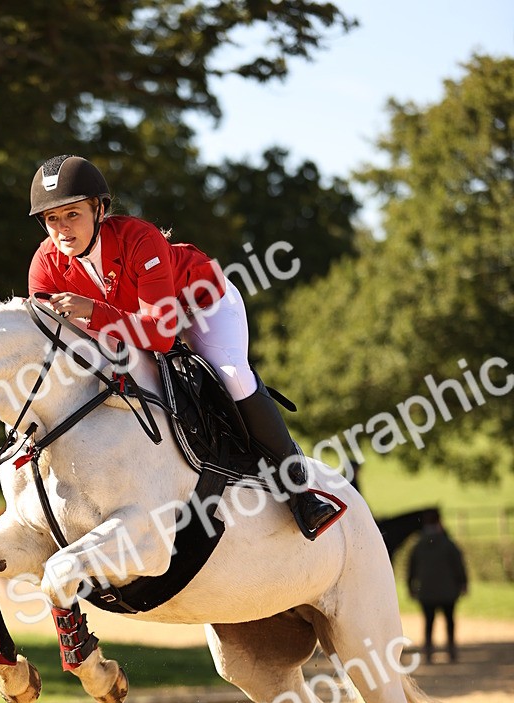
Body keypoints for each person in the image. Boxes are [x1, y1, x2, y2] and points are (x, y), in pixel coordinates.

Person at [27, 154, 338, 540]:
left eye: (72, 214)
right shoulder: (45, 265)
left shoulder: (140, 239)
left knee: (232, 375)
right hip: (129, 325)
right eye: (52, 219)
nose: (61, 229)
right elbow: (55, 344)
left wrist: (94, 310)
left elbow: (159, 335)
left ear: (99, 208)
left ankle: (299, 491)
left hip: (202, 306)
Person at [407, 510, 468, 663]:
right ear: (439, 522)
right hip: (448, 591)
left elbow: (411, 568)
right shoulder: (449, 544)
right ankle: (451, 650)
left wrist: (411, 586)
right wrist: (463, 583)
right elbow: (459, 565)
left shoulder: (418, 545)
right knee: (449, 621)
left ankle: (428, 651)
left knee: (428, 622)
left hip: (426, 591)